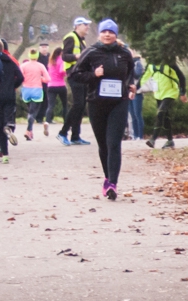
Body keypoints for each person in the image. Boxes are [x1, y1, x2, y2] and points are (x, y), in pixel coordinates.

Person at [70, 18, 138, 200]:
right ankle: (107, 178)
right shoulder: (91, 52)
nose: (107, 35)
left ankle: (113, 184)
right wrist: (93, 74)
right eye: (104, 32)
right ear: (99, 34)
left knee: (114, 143)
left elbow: (130, 73)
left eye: (111, 32)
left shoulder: (124, 53)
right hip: (96, 103)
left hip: (119, 102)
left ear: (116, 34)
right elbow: (75, 75)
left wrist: (131, 85)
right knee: (103, 144)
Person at [0, 36, 22, 164]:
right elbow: (20, 77)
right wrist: (13, 86)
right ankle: (9, 126)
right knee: (8, 119)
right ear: (3, 49)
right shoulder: (10, 61)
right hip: (9, 95)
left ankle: (5, 155)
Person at [60, 17, 92, 146]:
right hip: (74, 74)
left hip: (81, 74)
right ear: (77, 26)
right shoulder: (71, 37)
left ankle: (75, 136)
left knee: (81, 105)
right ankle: (63, 132)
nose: (88, 27)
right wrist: (77, 56)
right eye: (85, 24)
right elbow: (64, 56)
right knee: (78, 104)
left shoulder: (81, 40)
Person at [145, 56, 186, 149]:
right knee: (165, 117)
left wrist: (182, 93)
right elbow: (147, 77)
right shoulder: (151, 64)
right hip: (158, 94)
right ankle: (170, 141)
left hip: (171, 92)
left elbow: (181, 77)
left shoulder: (170, 63)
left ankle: (153, 139)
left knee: (160, 113)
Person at [19, 47, 49, 139]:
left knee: (30, 111)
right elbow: (48, 79)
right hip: (37, 90)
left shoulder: (23, 66)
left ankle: (30, 132)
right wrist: (41, 78)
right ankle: (28, 130)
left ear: (29, 55)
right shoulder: (40, 66)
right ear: (37, 56)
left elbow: (19, 77)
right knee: (33, 112)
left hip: (26, 90)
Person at [45, 47, 69, 138]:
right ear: (61, 53)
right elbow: (62, 71)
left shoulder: (50, 62)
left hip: (51, 86)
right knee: (65, 105)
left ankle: (47, 121)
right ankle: (66, 122)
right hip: (61, 85)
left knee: (50, 105)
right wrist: (66, 74)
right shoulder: (62, 60)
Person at [128, 50, 146, 141]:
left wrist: (130, 67)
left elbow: (137, 75)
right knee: (132, 115)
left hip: (137, 92)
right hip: (128, 92)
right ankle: (135, 135)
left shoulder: (137, 63)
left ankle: (140, 135)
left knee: (137, 114)